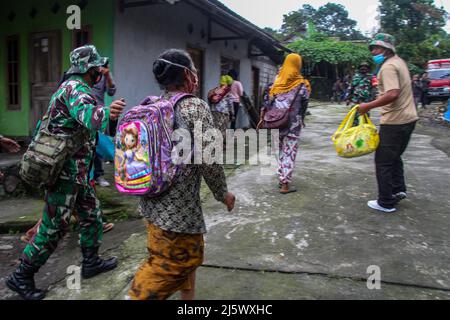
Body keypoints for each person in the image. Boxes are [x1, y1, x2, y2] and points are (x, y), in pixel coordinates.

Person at [5, 45, 126, 300]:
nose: (100, 72)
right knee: (54, 226)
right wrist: (108, 113)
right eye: (97, 68)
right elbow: (87, 116)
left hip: (78, 171)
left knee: (92, 215)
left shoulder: (77, 87)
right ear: (88, 69)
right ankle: (21, 276)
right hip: (63, 172)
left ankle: (91, 261)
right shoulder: (75, 89)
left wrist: (108, 120)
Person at [128, 49, 235, 301]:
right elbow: (208, 159)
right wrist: (222, 193)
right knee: (174, 265)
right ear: (188, 75)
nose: (196, 76)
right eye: (195, 71)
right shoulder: (192, 106)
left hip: (151, 203)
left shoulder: (153, 104)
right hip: (178, 212)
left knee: (173, 259)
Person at [358, 33, 419, 213]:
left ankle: (385, 202)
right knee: (394, 157)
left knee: (383, 161)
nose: (373, 52)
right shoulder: (400, 62)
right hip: (409, 118)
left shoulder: (388, 67)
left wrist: (366, 106)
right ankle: (398, 190)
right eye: (372, 48)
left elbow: (392, 93)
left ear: (386, 49)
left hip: (395, 121)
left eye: (376, 48)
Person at [259, 53, 311, 195]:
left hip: (276, 122)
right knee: (290, 151)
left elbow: (266, 100)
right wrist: (301, 118)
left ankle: (281, 176)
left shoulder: (276, 82)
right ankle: (285, 183)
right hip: (293, 124)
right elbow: (305, 104)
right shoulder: (302, 84)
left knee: (281, 149)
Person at [91, 61, 117, 187]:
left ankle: (98, 175)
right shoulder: (87, 76)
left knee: (98, 145)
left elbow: (112, 91)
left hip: (99, 115)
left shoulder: (103, 77)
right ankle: (88, 176)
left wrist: (107, 76)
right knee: (86, 147)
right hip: (85, 113)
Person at [208, 75, 234, 141]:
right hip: (224, 113)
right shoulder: (228, 92)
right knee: (223, 129)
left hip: (214, 111)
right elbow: (230, 104)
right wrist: (232, 113)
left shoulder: (216, 90)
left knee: (215, 127)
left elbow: (209, 99)